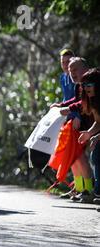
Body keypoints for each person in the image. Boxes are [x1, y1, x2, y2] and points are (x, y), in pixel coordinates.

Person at [51, 57, 94, 202]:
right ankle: (81, 189)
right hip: (84, 126)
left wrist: (69, 109)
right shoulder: (78, 86)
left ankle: (90, 190)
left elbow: (82, 103)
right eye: (70, 70)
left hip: (91, 125)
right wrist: (61, 104)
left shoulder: (91, 81)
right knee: (75, 158)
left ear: (85, 68)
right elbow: (76, 100)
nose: (72, 73)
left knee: (82, 158)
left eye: (75, 69)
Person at [76, 68, 100, 203]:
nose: (86, 88)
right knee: (95, 156)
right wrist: (89, 133)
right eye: (84, 86)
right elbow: (98, 122)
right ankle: (97, 192)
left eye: (89, 85)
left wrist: (97, 136)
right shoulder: (93, 100)